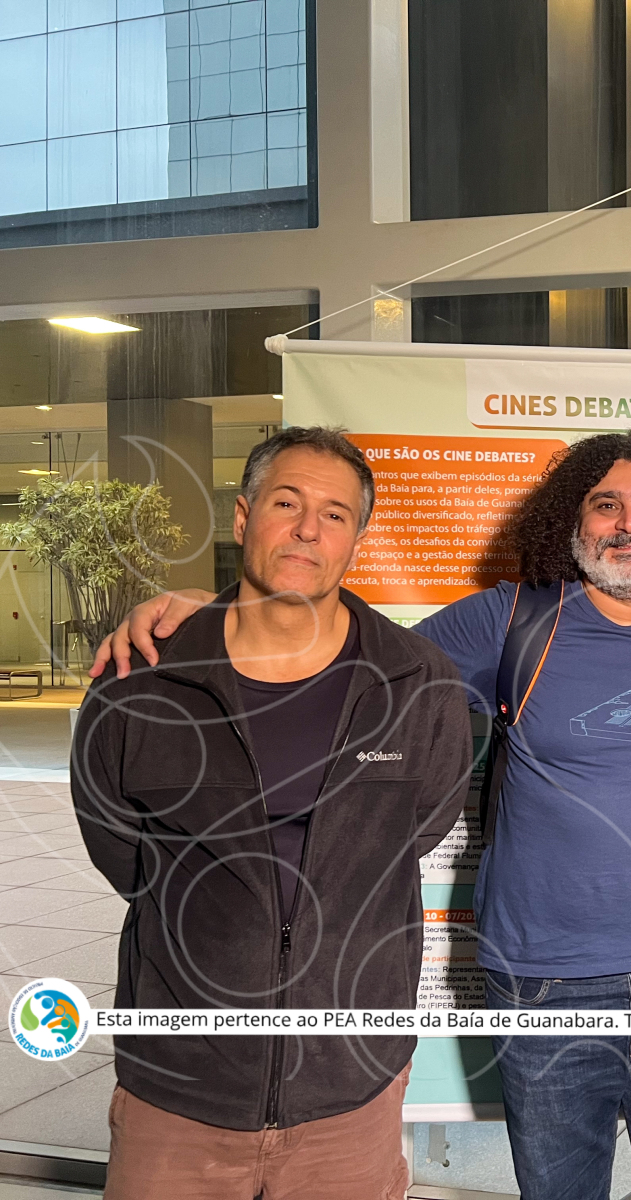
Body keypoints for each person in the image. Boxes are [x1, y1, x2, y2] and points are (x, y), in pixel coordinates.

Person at [94, 426, 631, 1200]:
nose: (630, 524)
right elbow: (347, 657)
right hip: (542, 979)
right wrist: (211, 612)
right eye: (606, 504)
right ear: (573, 518)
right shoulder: (511, 618)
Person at [73, 426, 473, 1200]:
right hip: (179, 1090)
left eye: (335, 514)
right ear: (244, 516)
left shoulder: (418, 683)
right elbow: (121, 852)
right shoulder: (142, 681)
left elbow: (418, 829)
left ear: (356, 540)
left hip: (349, 1091)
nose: (307, 529)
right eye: (287, 503)